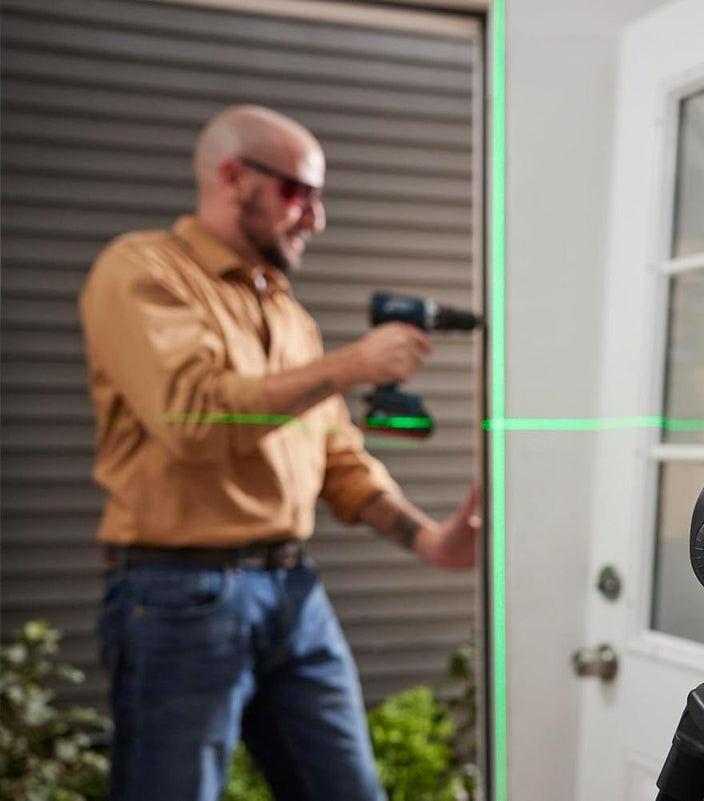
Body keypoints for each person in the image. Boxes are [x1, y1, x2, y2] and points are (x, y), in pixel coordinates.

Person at [79, 105, 480, 801]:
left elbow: (337, 460)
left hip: (295, 592)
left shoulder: (289, 313)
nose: (316, 219)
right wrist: (351, 363)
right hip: (178, 596)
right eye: (302, 193)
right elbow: (193, 415)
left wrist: (432, 540)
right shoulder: (143, 271)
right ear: (234, 177)